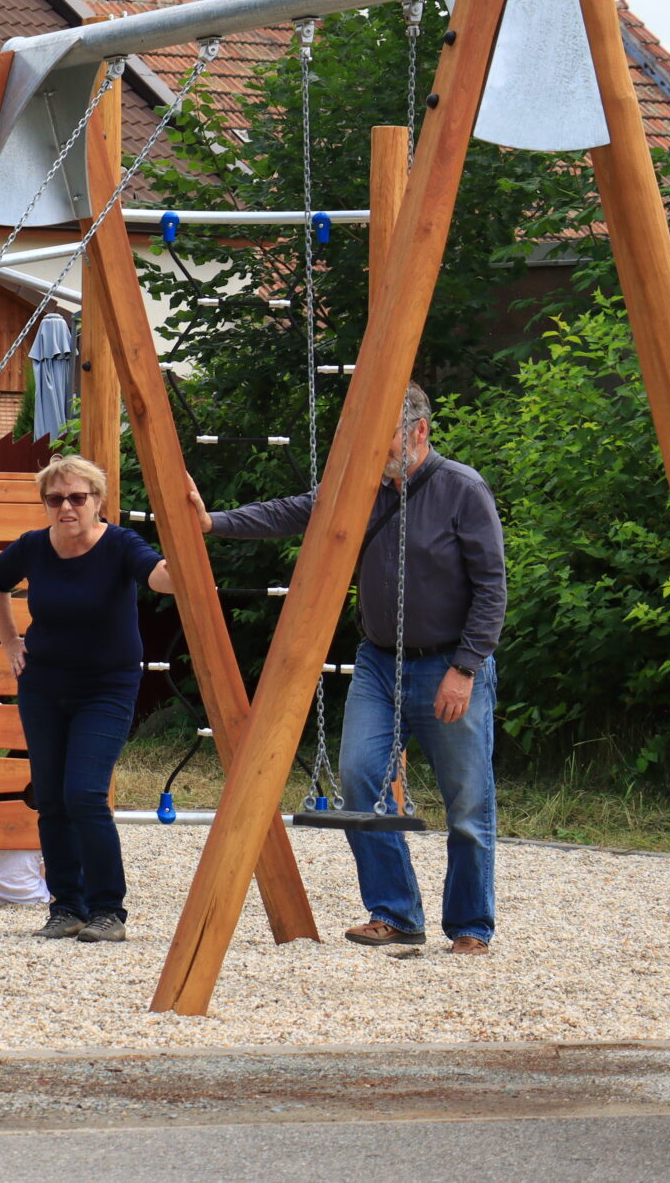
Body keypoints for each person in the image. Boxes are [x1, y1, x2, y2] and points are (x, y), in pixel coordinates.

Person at [185, 382, 505, 956]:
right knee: (359, 780)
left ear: (419, 431)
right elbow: (293, 511)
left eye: (382, 437)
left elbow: (491, 589)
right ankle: (395, 913)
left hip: (449, 663)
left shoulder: (462, 489)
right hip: (379, 663)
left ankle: (470, 926)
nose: (372, 450)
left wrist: (465, 668)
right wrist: (213, 522)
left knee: (467, 802)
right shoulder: (363, 487)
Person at [0, 454, 175, 944]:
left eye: (77, 497)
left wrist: (183, 563)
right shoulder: (33, 546)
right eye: (55, 499)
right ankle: (66, 906)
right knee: (50, 799)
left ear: (98, 501)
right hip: (44, 685)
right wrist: (10, 641)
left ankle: (108, 910)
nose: (66, 507)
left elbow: (159, 577)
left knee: (84, 795)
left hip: (105, 687)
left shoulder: (120, 544)